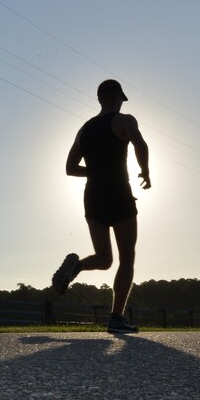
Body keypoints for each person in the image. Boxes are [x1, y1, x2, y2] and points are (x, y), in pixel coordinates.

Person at [51, 79, 151, 334]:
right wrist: (145, 171)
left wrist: (95, 171)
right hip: (119, 192)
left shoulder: (84, 129)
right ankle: (116, 318)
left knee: (104, 258)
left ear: (99, 99)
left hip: (92, 195)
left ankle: (77, 266)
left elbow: (70, 168)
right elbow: (140, 144)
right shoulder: (125, 120)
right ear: (117, 96)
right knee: (126, 257)